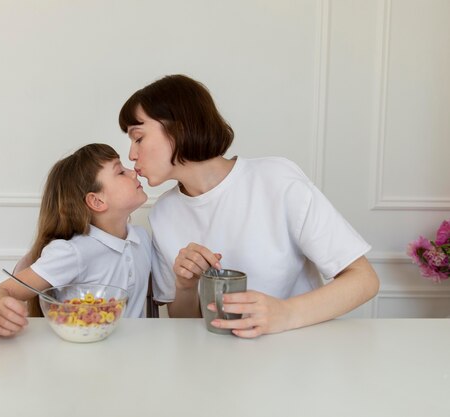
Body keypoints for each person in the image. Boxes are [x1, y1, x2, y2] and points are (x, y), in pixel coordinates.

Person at [118, 74, 379, 338]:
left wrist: (285, 313)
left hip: (299, 359)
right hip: (218, 365)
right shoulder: (163, 213)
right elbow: (184, 322)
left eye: (138, 138)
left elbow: (364, 279)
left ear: (179, 128)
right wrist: (185, 286)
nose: (131, 154)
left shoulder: (276, 179)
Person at [0, 143, 151, 337]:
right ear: (97, 201)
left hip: (136, 355)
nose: (133, 173)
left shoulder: (141, 238)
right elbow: (0, 292)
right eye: (120, 171)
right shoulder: (73, 252)